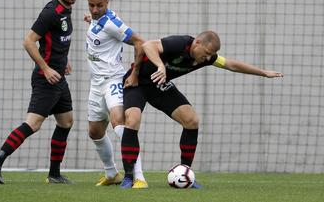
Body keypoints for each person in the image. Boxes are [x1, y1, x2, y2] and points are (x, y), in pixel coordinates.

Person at [120, 31, 284, 189]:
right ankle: (128, 177)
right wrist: (160, 66)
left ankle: (185, 175)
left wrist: (263, 73)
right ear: (196, 43)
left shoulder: (207, 57)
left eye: (209, 55)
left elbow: (232, 65)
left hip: (159, 86)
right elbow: (148, 45)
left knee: (192, 121)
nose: (206, 58)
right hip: (136, 84)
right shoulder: (180, 44)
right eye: (205, 53)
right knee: (133, 119)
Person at [0, 0, 79, 184]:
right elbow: (28, 41)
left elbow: (54, 41)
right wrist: (46, 68)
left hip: (59, 78)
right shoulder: (51, 12)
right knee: (34, 124)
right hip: (46, 80)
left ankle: (54, 174)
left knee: (66, 122)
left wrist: (64, 62)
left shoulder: (66, 10)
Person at [84, 0, 148, 188]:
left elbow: (140, 42)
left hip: (113, 80)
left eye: (99, 6)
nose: (94, 10)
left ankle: (138, 176)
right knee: (95, 132)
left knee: (120, 124)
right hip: (96, 83)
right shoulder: (97, 19)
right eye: (91, 5)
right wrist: (92, 20)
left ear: (107, 2)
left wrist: (135, 73)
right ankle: (112, 173)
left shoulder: (111, 23)